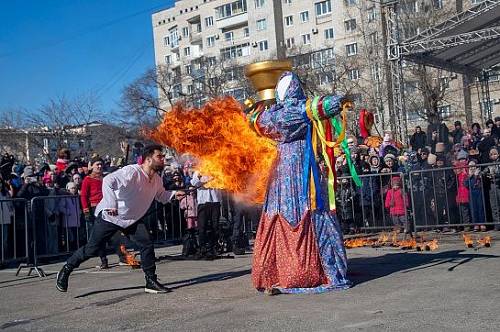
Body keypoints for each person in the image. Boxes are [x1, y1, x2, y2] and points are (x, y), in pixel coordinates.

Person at [251, 71, 351, 294]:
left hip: (279, 170)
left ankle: (273, 273)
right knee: (309, 205)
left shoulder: (269, 116)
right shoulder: (297, 111)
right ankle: (308, 270)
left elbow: (254, 122)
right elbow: (327, 105)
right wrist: (343, 98)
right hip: (300, 168)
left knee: (279, 208)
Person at [56, 145, 173, 294]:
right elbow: (108, 181)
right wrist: (111, 203)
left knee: (146, 244)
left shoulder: (156, 179)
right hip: (110, 217)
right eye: (159, 157)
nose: (163, 159)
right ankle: (66, 269)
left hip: (131, 219)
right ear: (148, 159)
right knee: (91, 249)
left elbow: (162, 195)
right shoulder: (131, 172)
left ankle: (151, 281)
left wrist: (175, 194)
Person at [190, 171, 222, 259]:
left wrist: (210, 179)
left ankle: (213, 247)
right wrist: (204, 179)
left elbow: (221, 182)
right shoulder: (198, 171)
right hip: (203, 202)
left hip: (215, 201)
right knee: (202, 227)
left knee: (215, 226)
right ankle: (202, 248)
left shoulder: (217, 169)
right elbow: (194, 182)